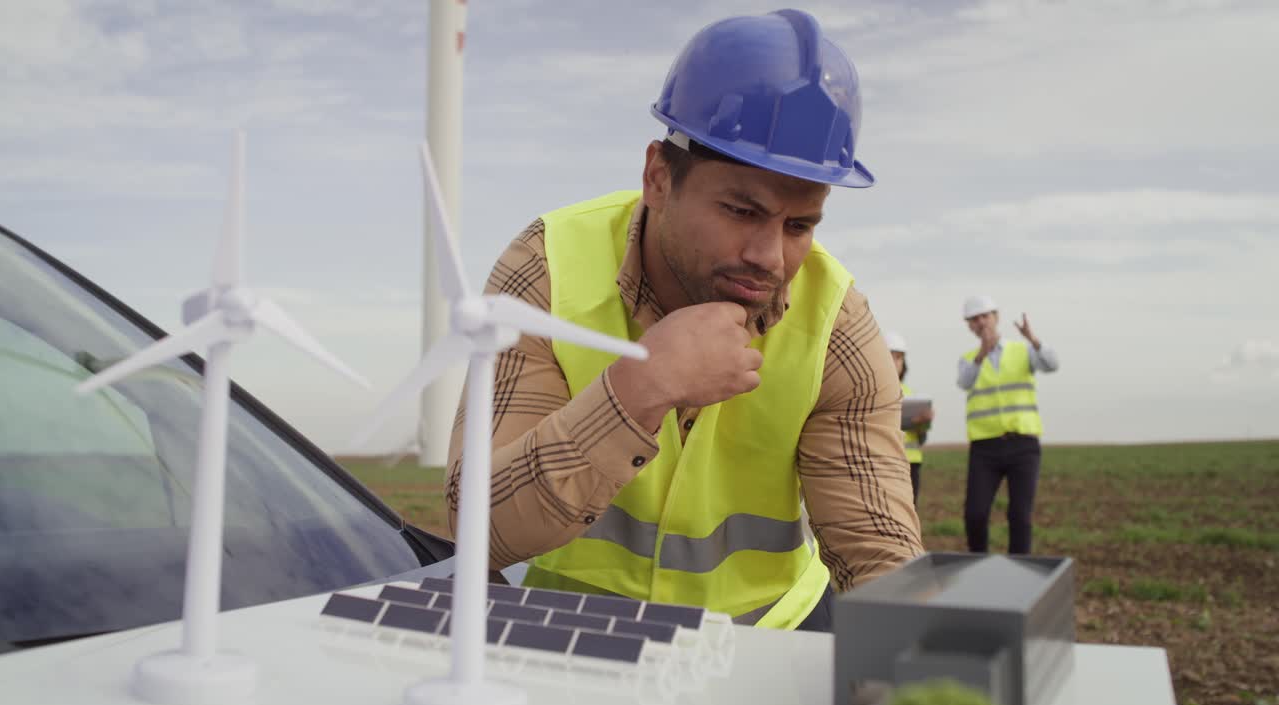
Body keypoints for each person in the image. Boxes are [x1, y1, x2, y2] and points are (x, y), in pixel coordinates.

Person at [446, 9, 923, 632]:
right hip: (576, 637)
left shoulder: (836, 320)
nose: (769, 257)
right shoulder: (548, 267)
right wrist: (638, 391)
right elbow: (478, 524)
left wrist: (923, 675)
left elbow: (878, 546)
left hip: (768, 638)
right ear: (658, 178)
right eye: (740, 210)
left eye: (799, 225)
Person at [956, 295, 1060, 555]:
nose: (981, 322)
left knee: (1020, 516)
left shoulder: (1023, 350)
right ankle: (977, 566)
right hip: (985, 448)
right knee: (975, 515)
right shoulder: (969, 358)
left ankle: (1019, 574)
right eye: (974, 319)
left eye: (985, 316)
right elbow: (965, 382)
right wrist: (982, 353)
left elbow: (1052, 364)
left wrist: (1033, 339)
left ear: (996, 317)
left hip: (1023, 445)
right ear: (969, 325)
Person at [884, 332, 933, 506]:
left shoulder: (912, 395)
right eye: (891, 356)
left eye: (899, 358)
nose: (896, 362)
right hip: (884, 463)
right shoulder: (872, 393)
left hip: (911, 463)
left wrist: (925, 422)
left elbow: (922, 438)